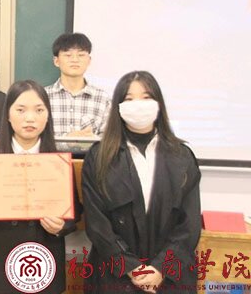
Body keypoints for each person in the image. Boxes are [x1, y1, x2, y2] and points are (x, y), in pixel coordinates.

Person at [82, 71, 201, 293]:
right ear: (118, 106)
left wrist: (160, 269)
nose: (138, 105)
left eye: (146, 97)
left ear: (158, 103)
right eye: (129, 99)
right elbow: (97, 224)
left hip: (169, 278)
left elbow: (189, 225)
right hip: (114, 276)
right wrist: (133, 269)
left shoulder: (182, 156)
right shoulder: (98, 157)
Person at [0, 80, 81, 294]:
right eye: (20, 110)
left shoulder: (58, 162)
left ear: (47, 115)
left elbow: (75, 211)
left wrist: (61, 226)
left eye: (39, 110)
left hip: (42, 262)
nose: (30, 118)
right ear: (8, 114)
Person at [45, 32, 111, 138]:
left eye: (81, 55)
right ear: (56, 61)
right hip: (52, 150)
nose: (75, 60)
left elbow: (108, 138)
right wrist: (67, 139)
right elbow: (37, 137)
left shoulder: (102, 98)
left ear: (89, 61)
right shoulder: (43, 97)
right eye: (68, 55)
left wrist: (91, 139)